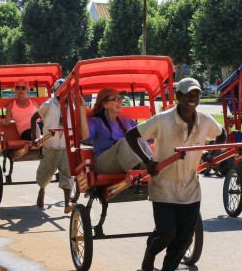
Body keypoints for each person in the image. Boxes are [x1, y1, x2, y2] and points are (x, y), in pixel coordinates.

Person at [124, 78, 226, 271]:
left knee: (186, 236)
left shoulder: (205, 120)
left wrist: (213, 153)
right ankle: (150, 253)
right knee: (167, 232)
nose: (193, 98)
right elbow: (132, 135)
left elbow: (221, 133)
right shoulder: (162, 120)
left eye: (196, 94)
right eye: (188, 94)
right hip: (163, 184)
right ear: (178, 97)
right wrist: (148, 161)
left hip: (190, 186)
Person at [75, 87, 153, 174]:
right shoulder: (96, 121)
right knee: (126, 140)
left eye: (121, 98)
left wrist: (164, 117)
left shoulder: (129, 123)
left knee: (139, 138)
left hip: (127, 161)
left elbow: (151, 134)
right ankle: (138, 169)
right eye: (116, 99)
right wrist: (81, 109)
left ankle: (152, 164)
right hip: (104, 164)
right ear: (105, 104)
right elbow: (85, 136)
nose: (121, 101)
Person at [30, 79, 75, 214]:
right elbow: (34, 119)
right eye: (62, 90)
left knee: (67, 174)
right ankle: (42, 190)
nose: (65, 92)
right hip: (49, 145)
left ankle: (67, 204)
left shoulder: (71, 105)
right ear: (56, 92)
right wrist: (35, 138)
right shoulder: (49, 104)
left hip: (65, 147)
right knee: (46, 174)